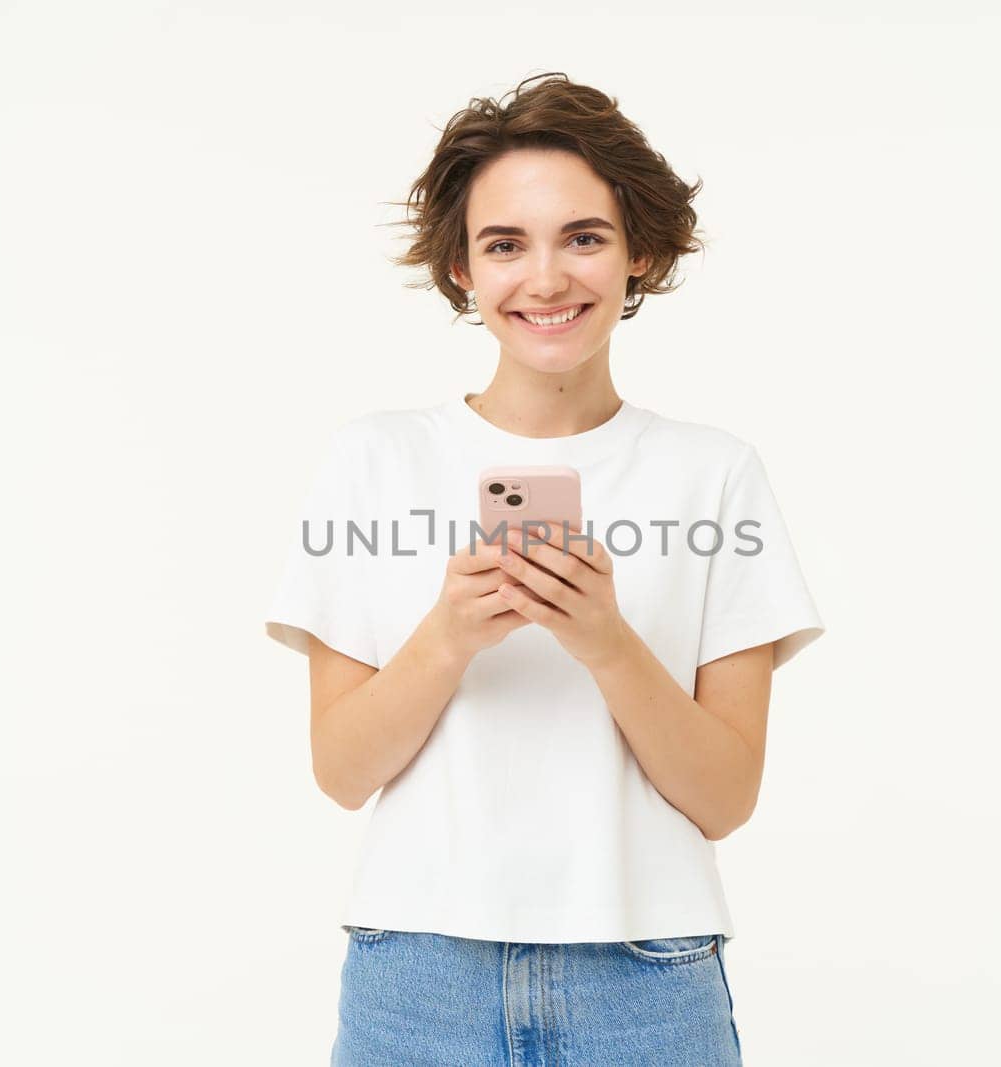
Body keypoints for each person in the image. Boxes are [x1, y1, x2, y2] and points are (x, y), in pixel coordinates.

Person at [265, 72, 825, 1066]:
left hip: (647, 975)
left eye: (583, 236)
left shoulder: (715, 471)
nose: (546, 278)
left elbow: (725, 795)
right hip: (418, 972)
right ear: (460, 271)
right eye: (504, 244)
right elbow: (341, 770)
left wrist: (607, 643)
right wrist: (447, 636)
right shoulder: (372, 460)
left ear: (637, 251)